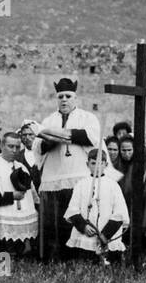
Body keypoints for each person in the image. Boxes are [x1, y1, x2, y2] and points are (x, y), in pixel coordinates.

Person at [32, 77, 101, 259]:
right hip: (53, 178)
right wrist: (51, 139)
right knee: (55, 221)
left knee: (77, 217)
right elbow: (38, 146)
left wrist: (58, 135)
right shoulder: (48, 120)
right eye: (60, 96)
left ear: (75, 98)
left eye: (68, 96)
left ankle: (80, 255)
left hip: (78, 175)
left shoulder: (88, 117)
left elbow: (90, 137)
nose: (64, 100)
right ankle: (55, 256)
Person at [64, 148, 129, 263]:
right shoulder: (81, 184)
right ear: (87, 164)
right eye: (93, 163)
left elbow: (120, 212)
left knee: (110, 262)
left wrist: (105, 234)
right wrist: (83, 226)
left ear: (106, 164)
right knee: (84, 261)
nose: (97, 167)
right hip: (87, 232)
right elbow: (73, 209)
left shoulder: (113, 185)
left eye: (101, 163)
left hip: (107, 234)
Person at [0, 132, 38, 255]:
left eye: (17, 147)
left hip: (21, 221)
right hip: (1, 220)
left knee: (21, 255)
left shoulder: (22, 167)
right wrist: (12, 196)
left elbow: (32, 196)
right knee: (3, 253)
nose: (15, 150)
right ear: (1, 146)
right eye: (11, 146)